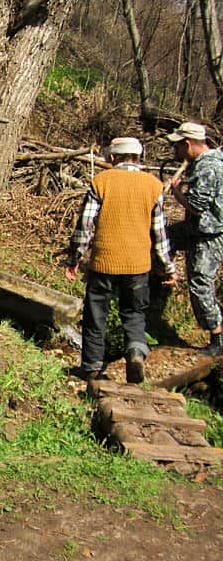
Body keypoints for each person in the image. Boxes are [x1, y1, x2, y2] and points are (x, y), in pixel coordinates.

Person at [64, 137, 177, 383]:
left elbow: (86, 226)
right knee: (134, 312)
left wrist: (74, 257)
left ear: (113, 157)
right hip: (138, 266)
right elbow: (159, 233)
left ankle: (92, 367)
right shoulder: (153, 186)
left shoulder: (100, 182)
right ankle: (135, 351)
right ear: (137, 157)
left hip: (104, 261)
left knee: (96, 314)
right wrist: (167, 267)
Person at [168, 122, 223, 356]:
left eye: (178, 148)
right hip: (197, 230)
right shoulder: (201, 164)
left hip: (209, 234)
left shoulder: (209, 167)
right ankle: (164, 275)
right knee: (165, 237)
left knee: (200, 283)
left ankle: (217, 337)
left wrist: (176, 192)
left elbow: (198, 206)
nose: (176, 153)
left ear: (188, 144)